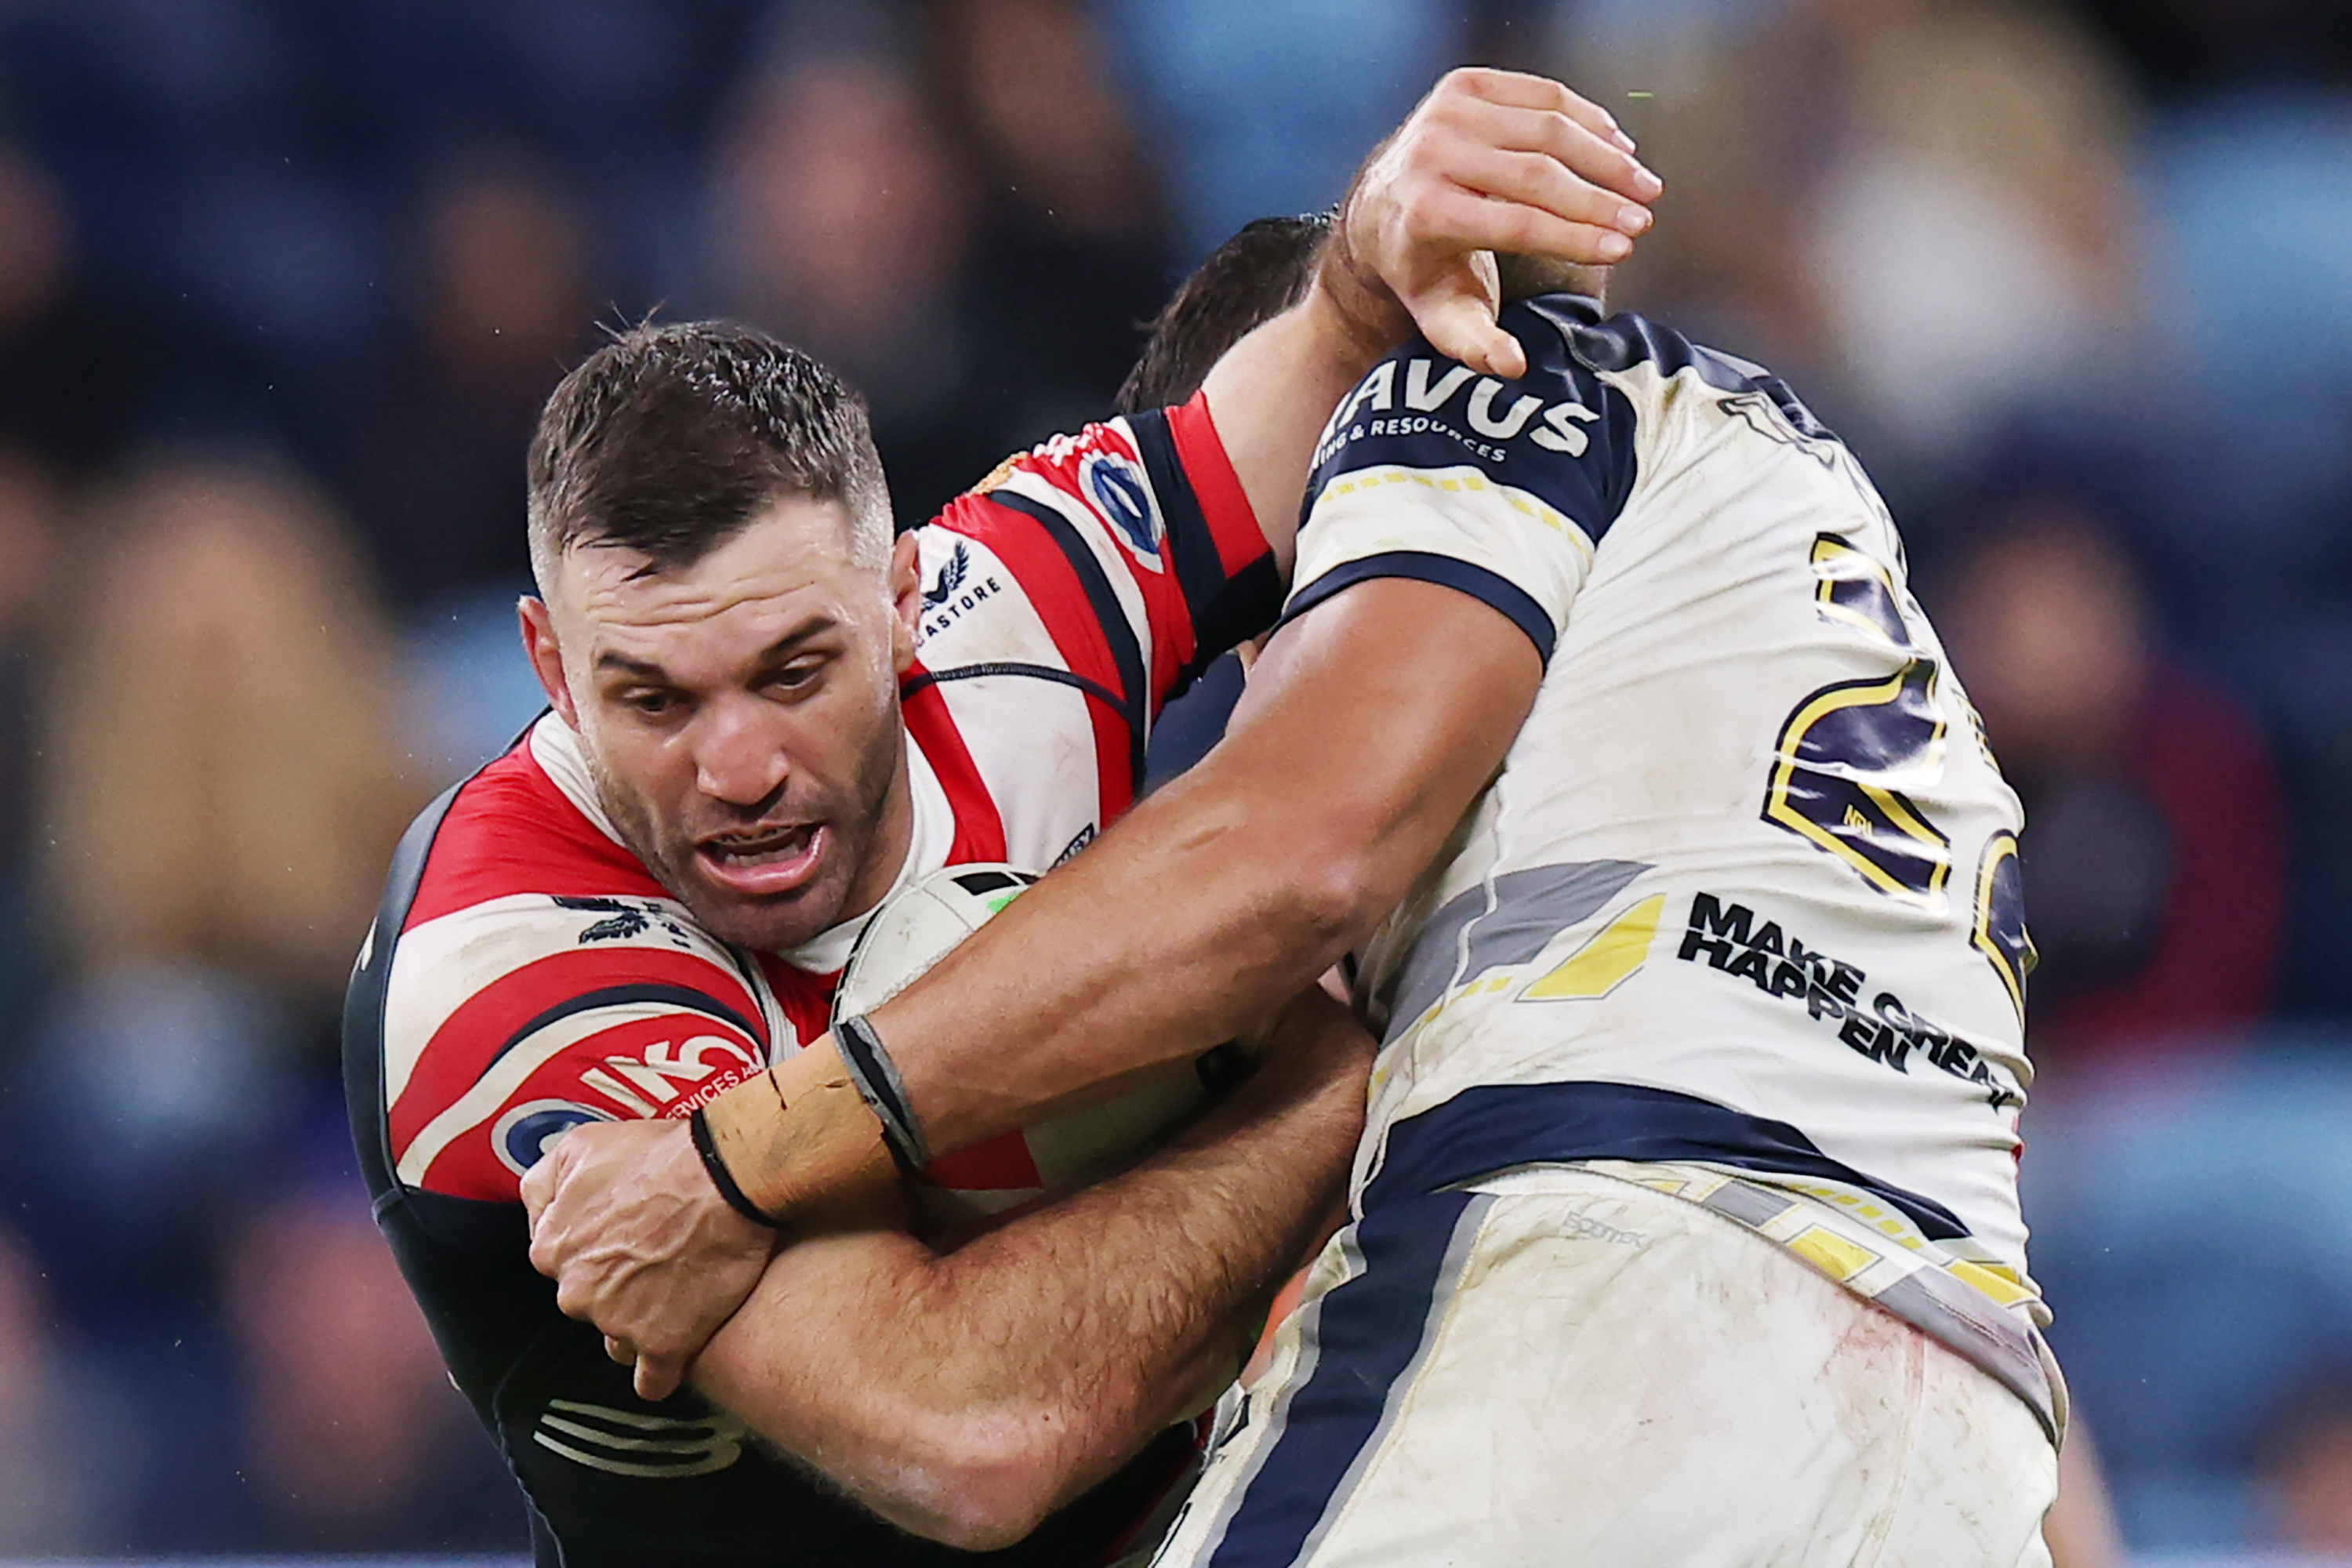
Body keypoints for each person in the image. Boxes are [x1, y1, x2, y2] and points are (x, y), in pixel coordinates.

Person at [532, 136, 2066, 1568]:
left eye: (1261, 611)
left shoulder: (1451, 400)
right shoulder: (1793, 579)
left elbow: (1286, 853)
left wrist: (746, 1154)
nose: (1258, 666)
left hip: (1603, 1285)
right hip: (1958, 1432)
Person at [349, 68, 1662, 1567]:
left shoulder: (1022, 595)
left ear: (903, 602)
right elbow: (978, 1437)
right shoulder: (504, 967)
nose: (738, 769)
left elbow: (1347, 322)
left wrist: (1403, 204)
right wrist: (1341, 1079)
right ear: (548, 669)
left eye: (795, 672)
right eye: (651, 700)